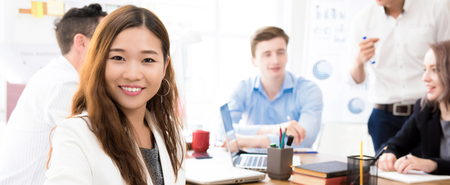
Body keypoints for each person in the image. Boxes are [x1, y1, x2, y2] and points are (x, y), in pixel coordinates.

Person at [44, 5, 185, 185]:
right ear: (99, 61)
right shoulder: (76, 134)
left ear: (164, 67)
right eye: (118, 58)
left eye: (148, 60)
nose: (132, 74)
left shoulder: (171, 135)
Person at [0, 4, 106, 184]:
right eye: (105, 38)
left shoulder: (56, 73)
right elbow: (91, 147)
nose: (113, 46)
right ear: (81, 42)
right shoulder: (64, 84)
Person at [348, 0, 450, 152]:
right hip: (384, 116)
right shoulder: (363, 19)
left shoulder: (435, 9)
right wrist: (359, 62)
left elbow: (447, 56)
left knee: (429, 169)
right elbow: (356, 79)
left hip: (428, 111)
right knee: (384, 166)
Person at [227, 26, 323, 148]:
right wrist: (276, 129)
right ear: (254, 61)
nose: (275, 60)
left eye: (280, 52)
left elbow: (305, 139)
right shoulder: (243, 88)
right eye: (267, 54)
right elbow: (223, 132)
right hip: (249, 163)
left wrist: (254, 141)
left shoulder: (309, 90)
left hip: (294, 163)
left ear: (287, 55)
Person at [378, 41, 450, 175]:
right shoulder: (425, 109)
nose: (425, 78)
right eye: (425, 69)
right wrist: (389, 153)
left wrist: (432, 164)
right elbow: (397, 142)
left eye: (435, 70)